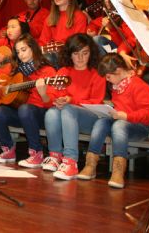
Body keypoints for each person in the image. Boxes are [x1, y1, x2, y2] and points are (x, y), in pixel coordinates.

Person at [79, 53, 149, 188]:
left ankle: (118, 171)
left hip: (140, 127)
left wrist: (126, 116)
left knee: (119, 125)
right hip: (121, 122)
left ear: (119, 71)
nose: (107, 80)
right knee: (100, 122)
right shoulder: (117, 86)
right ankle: (90, 165)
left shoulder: (139, 85)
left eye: (109, 76)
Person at [42, 33, 106, 180]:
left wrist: (71, 100)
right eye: (76, 53)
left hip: (91, 118)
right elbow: (51, 95)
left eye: (85, 53)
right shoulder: (64, 71)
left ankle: (71, 161)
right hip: (67, 114)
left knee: (68, 109)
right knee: (51, 113)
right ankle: (55, 156)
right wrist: (56, 100)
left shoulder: (97, 73)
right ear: (69, 55)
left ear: (91, 53)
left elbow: (96, 102)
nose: (80, 58)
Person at [0, 34, 57, 168]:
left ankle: (36, 153)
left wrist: (43, 93)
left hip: (40, 115)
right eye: (18, 51)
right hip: (22, 114)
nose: (20, 54)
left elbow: (50, 103)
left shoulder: (47, 71)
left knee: (25, 109)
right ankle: (8, 150)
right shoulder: (15, 69)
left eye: (24, 50)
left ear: (33, 49)